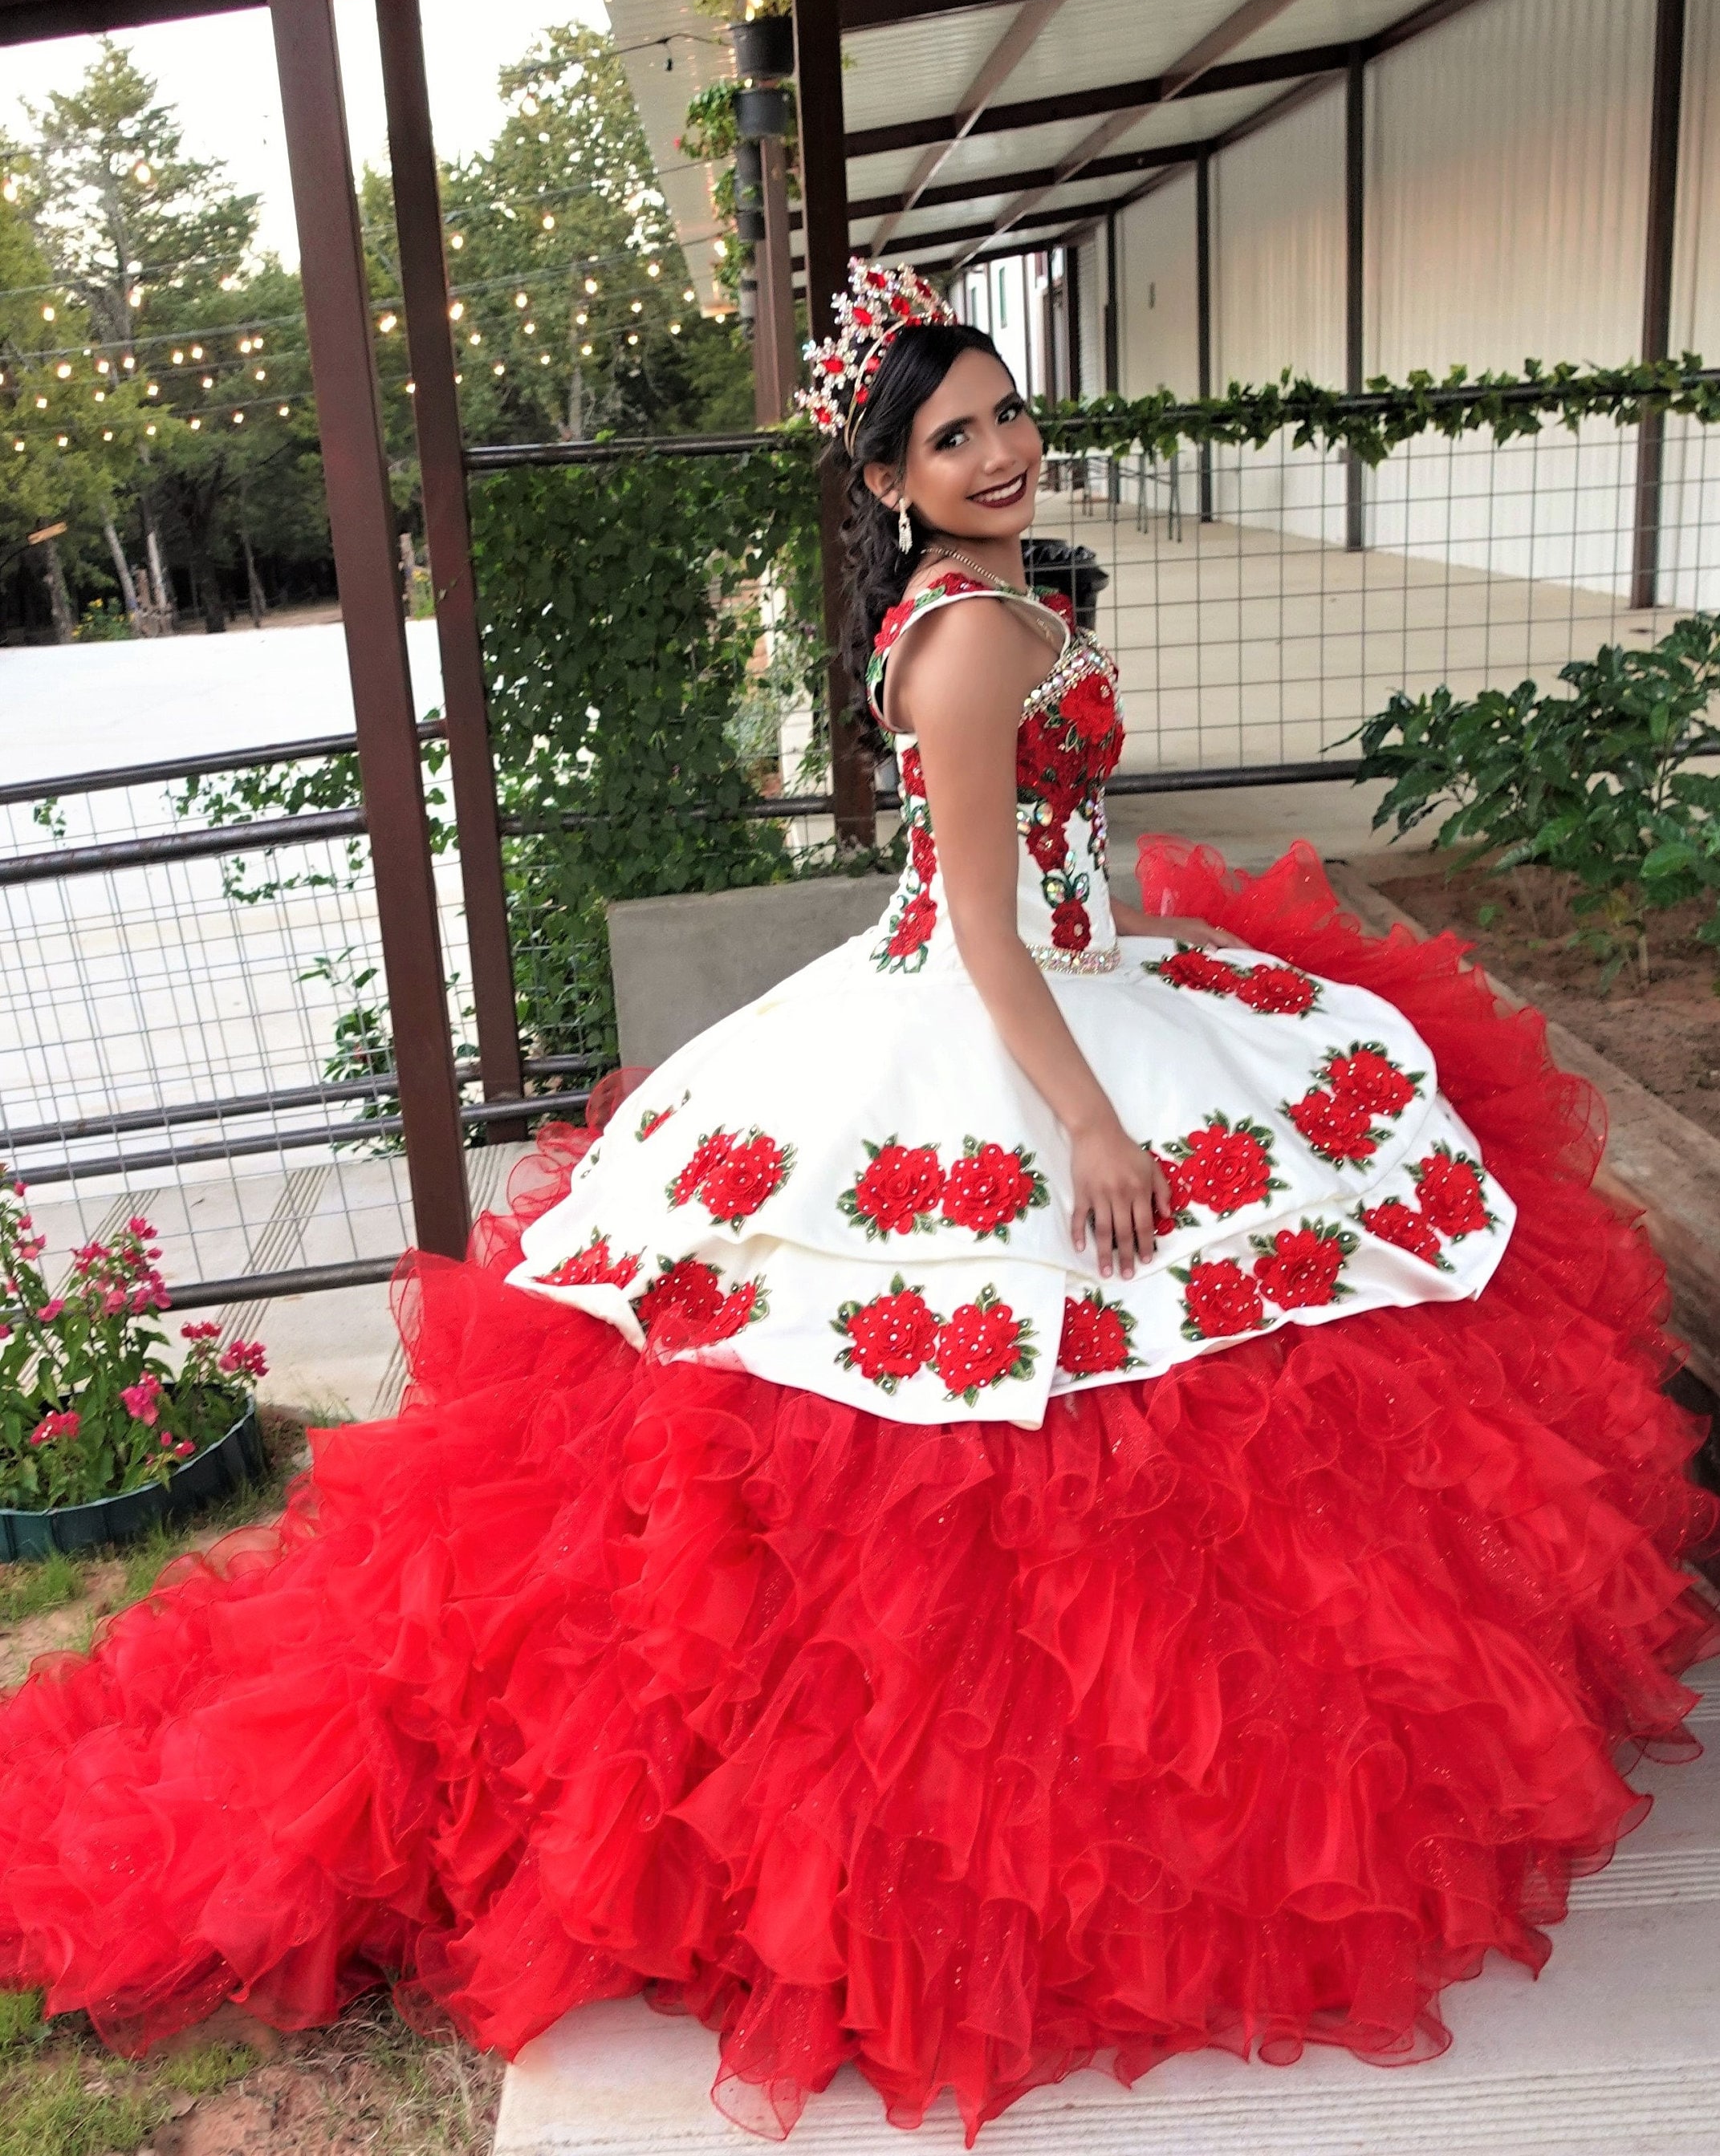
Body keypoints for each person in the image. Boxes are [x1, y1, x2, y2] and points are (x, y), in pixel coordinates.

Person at [0, 261, 1713, 2146]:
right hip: (1012, 1017)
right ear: (889, 477)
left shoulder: (985, 598)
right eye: (952, 434)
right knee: (996, 1403)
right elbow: (985, 930)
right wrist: (1088, 1126)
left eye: (1004, 412)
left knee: (1211, 1355)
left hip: (1076, 973)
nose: (1000, 449)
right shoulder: (972, 631)